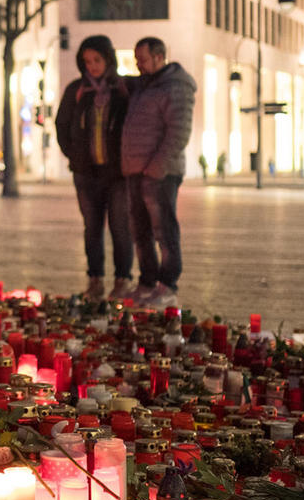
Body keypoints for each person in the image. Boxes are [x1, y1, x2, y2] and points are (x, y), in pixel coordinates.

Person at [55, 35, 133, 302]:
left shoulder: (123, 89)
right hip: (86, 174)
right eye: (87, 61)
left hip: (117, 174)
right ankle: (95, 280)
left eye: (97, 60)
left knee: (121, 226)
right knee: (92, 227)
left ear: (108, 59)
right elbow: (61, 124)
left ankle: (122, 280)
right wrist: (74, 155)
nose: (92, 66)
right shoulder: (77, 89)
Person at [119, 36, 197, 302]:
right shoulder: (144, 86)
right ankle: (147, 281)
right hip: (136, 170)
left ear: (159, 56)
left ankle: (167, 285)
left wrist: (157, 166)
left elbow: (179, 131)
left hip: (160, 173)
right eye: (136, 59)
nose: (138, 64)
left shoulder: (175, 87)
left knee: (164, 230)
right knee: (140, 231)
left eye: (142, 59)